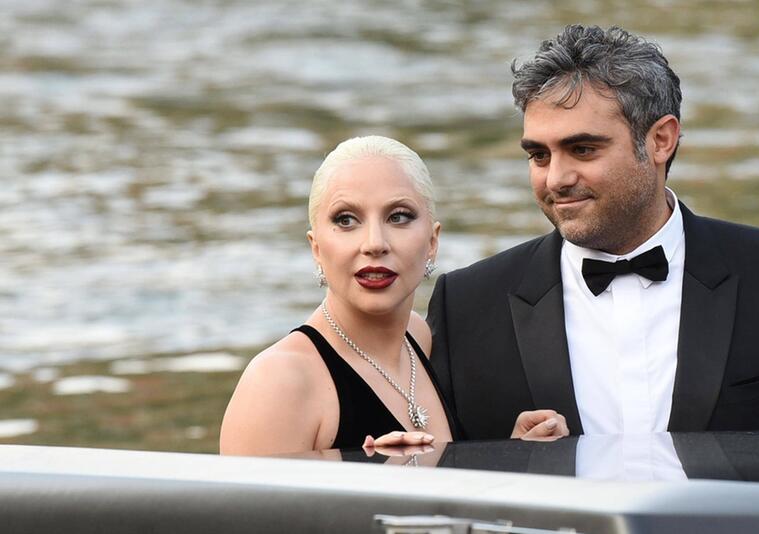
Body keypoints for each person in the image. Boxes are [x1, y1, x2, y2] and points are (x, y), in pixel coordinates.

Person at [426, 25, 759, 440]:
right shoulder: (467, 302)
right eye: (538, 155)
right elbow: (435, 477)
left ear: (660, 141)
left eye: (582, 149)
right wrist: (513, 463)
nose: (555, 178)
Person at [220, 136, 566, 455]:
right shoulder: (279, 382)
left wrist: (516, 457)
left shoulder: (420, 339)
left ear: (432, 242)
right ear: (316, 248)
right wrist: (368, 480)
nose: (374, 243)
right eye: (346, 220)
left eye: (398, 216)